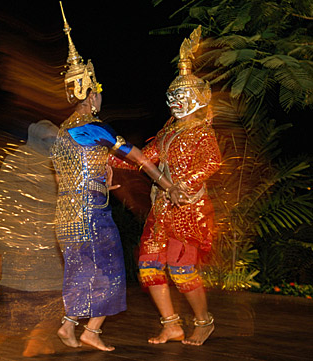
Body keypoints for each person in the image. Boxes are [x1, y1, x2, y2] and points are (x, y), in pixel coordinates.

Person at [50, 3, 187, 352]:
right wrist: (167, 184)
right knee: (111, 270)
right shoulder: (96, 128)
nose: (99, 96)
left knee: (83, 272)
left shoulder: (64, 131)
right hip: (91, 213)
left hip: (65, 214)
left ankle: (70, 326)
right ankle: (91, 331)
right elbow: (139, 156)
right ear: (89, 93)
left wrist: (100, 178)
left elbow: (71, 170)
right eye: (97, 91)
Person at [137, 26, 221, 346]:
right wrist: (112, 156)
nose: (176, 103)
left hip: (188, 209)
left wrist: (179, 185)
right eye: (173, 98)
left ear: (197, 99)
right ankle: (171, 324)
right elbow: (143, 158)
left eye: (182, 97)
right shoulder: (166, 133)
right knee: (149, 266)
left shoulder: (201, 131)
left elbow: (213, 163)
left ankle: (204, 321)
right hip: (161, 210)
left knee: (181, 270)